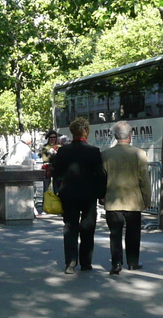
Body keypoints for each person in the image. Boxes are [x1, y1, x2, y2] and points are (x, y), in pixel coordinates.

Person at [49, 116, 105, 274]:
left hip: (69, 195)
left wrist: (59, 190)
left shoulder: (63, 151)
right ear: (86, 132)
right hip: (88, 196)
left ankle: (71, 261)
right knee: (88, 227)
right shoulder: (94, 151)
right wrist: (101, 194)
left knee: (70, 227)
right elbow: (100, 175)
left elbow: (57, 173)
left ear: (72, 132)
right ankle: (86, 262)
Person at [100, 120, 152, 273]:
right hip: (133, 201)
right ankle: (132, 262)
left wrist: (101, 196)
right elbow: (144, 180)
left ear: (116, 136)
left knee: (115, 234)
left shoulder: (105, 155)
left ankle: (116, 263)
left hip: (112, 200)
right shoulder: (139, 154)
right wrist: (147, 199)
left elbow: (102, 179)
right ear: (130, 136)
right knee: (133, 233)